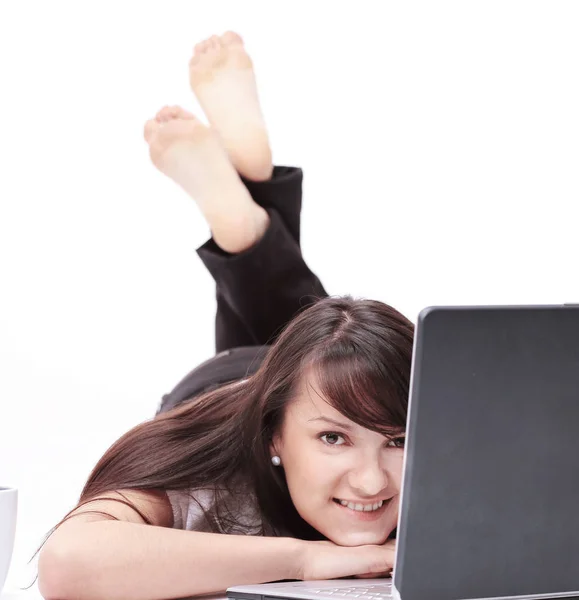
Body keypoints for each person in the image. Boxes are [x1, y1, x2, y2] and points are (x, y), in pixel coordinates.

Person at [36, 32, 415, 600]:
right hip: (227, 391)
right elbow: (67, 565)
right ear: (273, 440)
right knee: (323, 336)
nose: (370, 479)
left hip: (285, 376)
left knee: (325, 343)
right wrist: (303, 559)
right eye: (335, 438)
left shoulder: (445, 464)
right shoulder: (214, 477)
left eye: (398, 439)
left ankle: (247, 219)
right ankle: (249, 214)